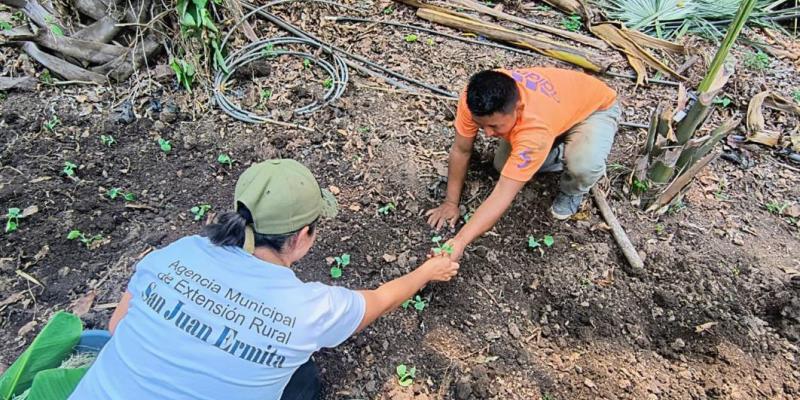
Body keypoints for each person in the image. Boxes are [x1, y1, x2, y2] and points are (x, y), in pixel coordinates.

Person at [70, 159, 459, 400]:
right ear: (303, 235)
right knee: (303, 377)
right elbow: (380, 300)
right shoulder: (306, 311)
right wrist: (427, 271)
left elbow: (117, 325)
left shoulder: (178, 253)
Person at [425, 68, 620, 260]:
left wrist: (459, 242)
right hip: (556, 112)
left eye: (494, 126)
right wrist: (450, 202)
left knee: (583, 165)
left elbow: (503, 193)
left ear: (518, 109)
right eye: (481, 125)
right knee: (503, 165)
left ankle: (573, 188)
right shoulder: (474, 97)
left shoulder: (534, 131)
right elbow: (461, 149)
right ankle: (558, 146)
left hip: (595, 110)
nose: (488, 134)